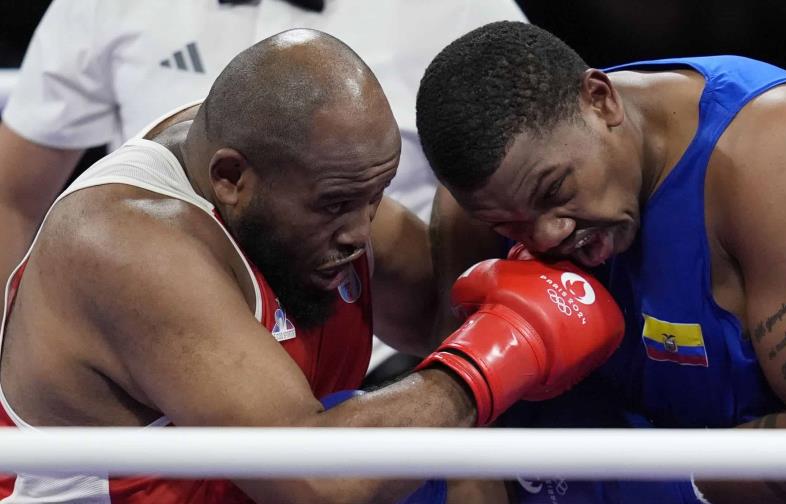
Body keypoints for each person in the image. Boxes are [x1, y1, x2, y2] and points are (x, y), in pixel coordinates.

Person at [0, 29, 624, 503]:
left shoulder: (315, 175)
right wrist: (496, 356)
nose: (361, 231)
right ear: (230, 179)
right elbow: (318, 479)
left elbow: (441, 318)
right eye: (337, 205)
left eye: (374, 199)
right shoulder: (124, 244)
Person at [417, 21, 786, 503]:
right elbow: (469, 436)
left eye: (556, 191)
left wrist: (649, 483)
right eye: (512, 226)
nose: (547, 233)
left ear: (601, 101)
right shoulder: (485, 200)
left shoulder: (778, 156)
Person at [0, 0, 528, 375]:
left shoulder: (462, 10)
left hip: (379, 344)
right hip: (161, 337)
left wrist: (487, 329)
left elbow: (535, 176)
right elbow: (13, 197)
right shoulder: (106, 7)